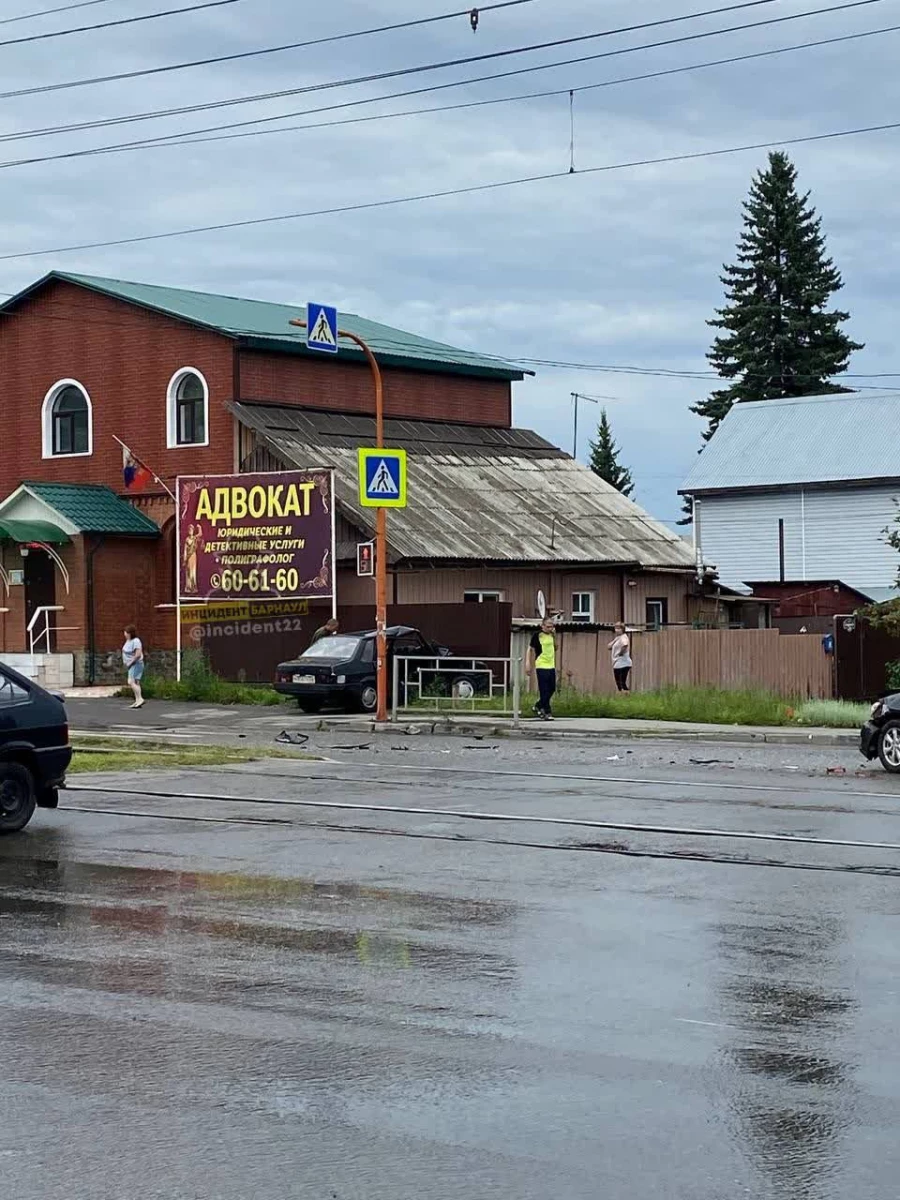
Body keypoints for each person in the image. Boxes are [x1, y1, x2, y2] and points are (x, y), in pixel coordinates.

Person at [526, 616, 557, 720]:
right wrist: (528, 663)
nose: (550, 628)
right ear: (542, 626)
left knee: (552, 688)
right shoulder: (537, 635)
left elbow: (555, 647)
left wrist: (554, 635)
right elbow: (530, 649)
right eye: (548, 626)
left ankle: (538, 705)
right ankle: (547, 712)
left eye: (551, 626)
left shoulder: (552, 635)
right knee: (544, 690)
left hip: (551, 664)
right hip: (541, 664)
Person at [122, 625, 145, 709]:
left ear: (130, 633)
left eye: (126, 632)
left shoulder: (136, 641)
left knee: (131, 681)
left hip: (136, 664)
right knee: (135, 682)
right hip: (131, 665)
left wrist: (130, 663)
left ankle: (140, 698)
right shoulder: (128, 641)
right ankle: (137, 701)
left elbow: (138, 654)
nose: (125, 634)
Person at [608, 622, 632, 692]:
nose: (617, 630)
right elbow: (609, 647)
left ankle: (625, 695)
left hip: (622, 662)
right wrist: (614, 641)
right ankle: (624, 695)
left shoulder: (623, 637)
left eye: (619, 628)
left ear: (623, 629)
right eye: (616, 628)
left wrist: (620, 653)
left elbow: (625, 645)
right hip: (618, 662)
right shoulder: (618, 638)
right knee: (619, 682)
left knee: (621, 682)